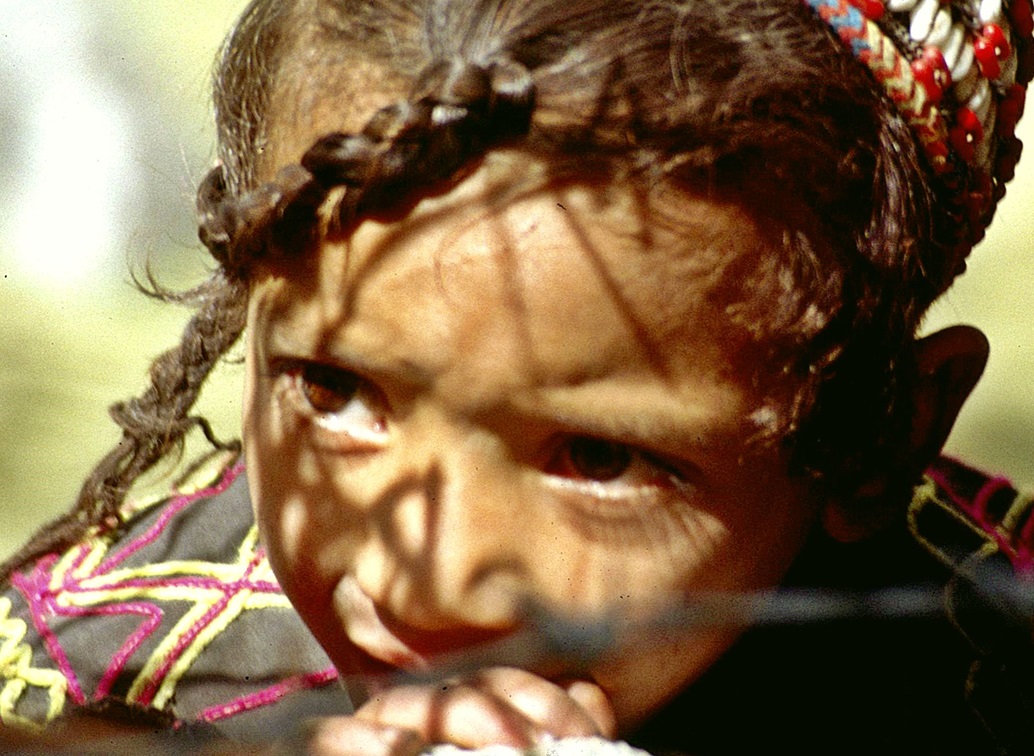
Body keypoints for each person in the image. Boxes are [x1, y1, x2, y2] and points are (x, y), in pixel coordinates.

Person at [1, 0, 1032, 753]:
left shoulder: (993, 674)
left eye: (598, 456)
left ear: (877, 431)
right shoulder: (75, 681)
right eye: (331, 389)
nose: (421, 583)